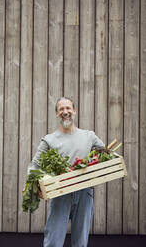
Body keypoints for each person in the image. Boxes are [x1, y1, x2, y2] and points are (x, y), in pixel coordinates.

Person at [27, 97, 105, 247]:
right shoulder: (49, 140)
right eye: (61, 109)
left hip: (84, 193)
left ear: (74, 111)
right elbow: (34, 165)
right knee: (53, 241)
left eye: (68, 108)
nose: (65, 112)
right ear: (57, 114)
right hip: (60, 193)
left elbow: (105, 155)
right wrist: (38, 185)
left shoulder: (89, 136)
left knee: (80, 242)